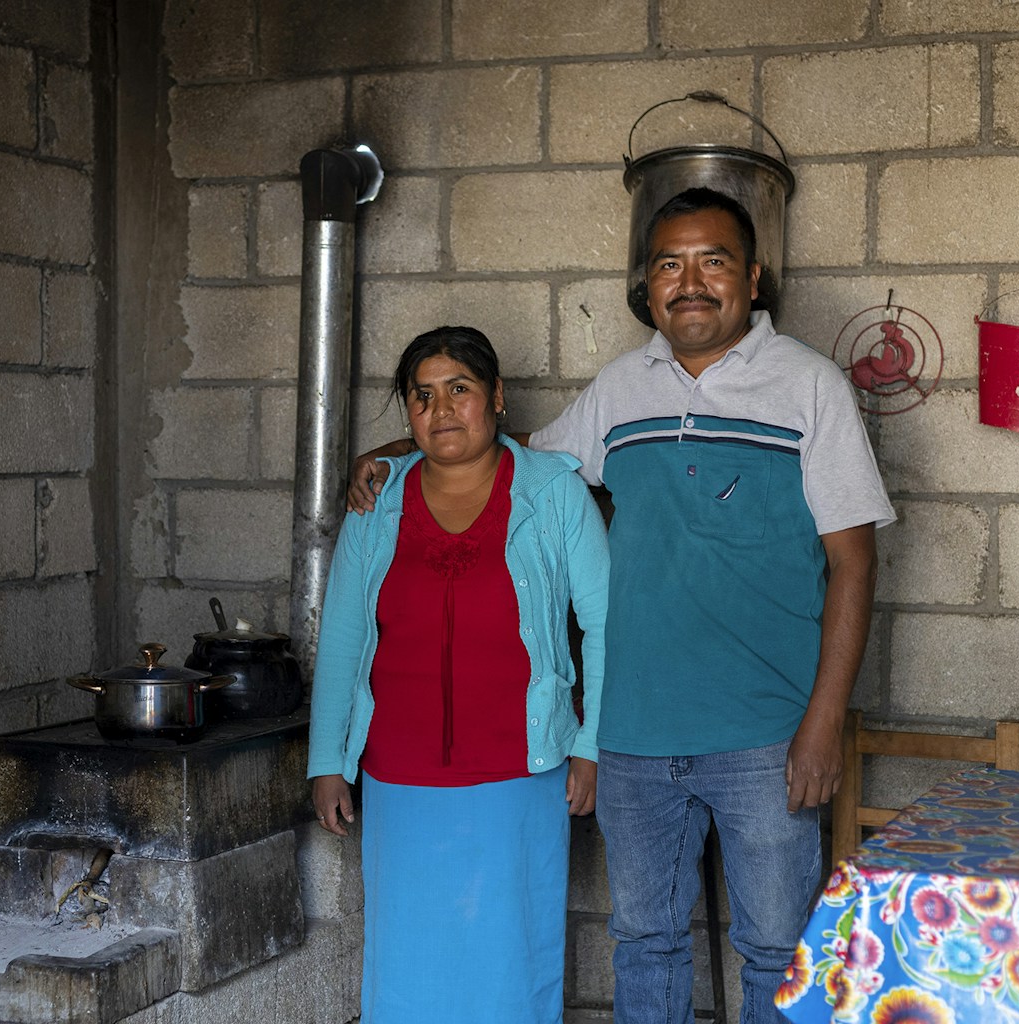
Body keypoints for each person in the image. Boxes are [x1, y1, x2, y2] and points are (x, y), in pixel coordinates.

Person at [346, 188, 896, 1024]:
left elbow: (855, 565)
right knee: (644, 941)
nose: (691, 282)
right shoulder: (620, 389)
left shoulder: (809, 387)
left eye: (713, 261)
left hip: (766, 732)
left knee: (777, 951)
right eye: (669, 264)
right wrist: (393, 453)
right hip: (634, 736)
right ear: (648, 285)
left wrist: (824, 723)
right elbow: (515, 454)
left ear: (752, 276)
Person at [308, 325, 610, 1024]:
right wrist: (329, 760)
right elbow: (347, 636)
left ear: (497, 398)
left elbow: (605, 627)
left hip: (520, 775)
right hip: (400, 777)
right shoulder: (375, 504)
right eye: (423, 395)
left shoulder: (554, 493)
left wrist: (591, 745)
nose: (441, 410)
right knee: (410, 961)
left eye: (460, 389)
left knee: (511, 959)